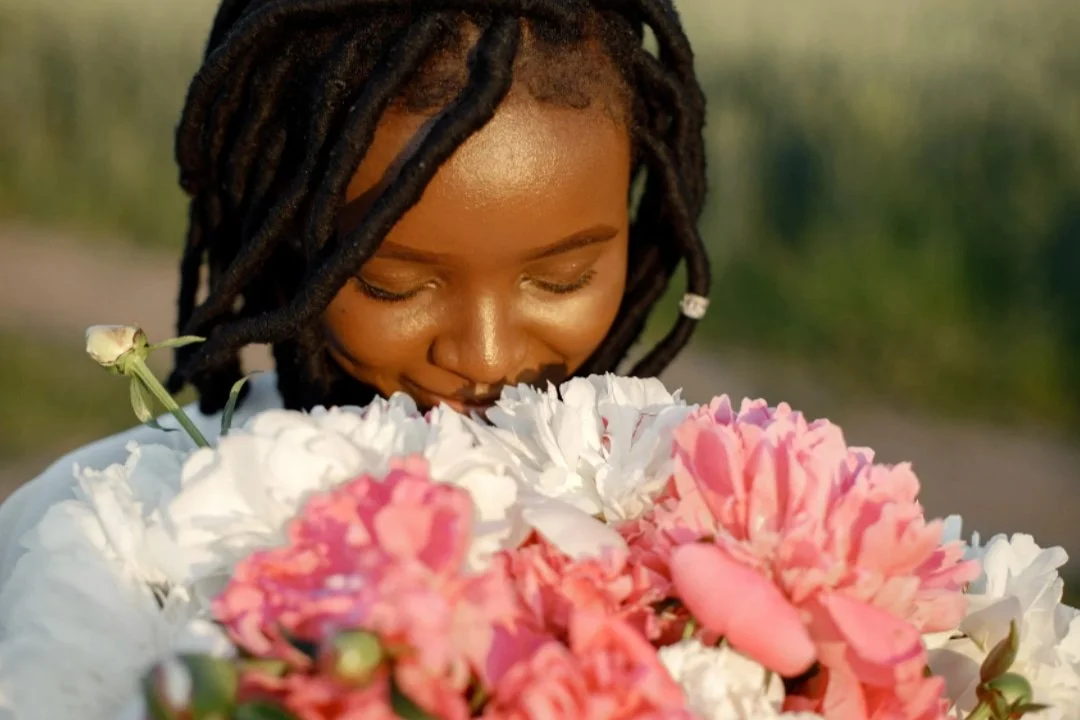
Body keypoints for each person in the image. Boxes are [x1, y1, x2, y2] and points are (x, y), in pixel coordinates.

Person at [0, 0, 711, 588]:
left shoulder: (702, 513)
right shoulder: (100, 540)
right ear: (288, 236)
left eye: (561, 279)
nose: (485, 355)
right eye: (393, 285)